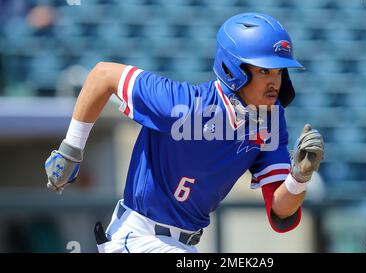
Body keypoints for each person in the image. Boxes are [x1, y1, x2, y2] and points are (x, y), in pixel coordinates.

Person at [44, 12, 324, 253]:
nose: (275, 80)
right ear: (232, 69)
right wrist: (71, 149)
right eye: (264, 70)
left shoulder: (270, 121)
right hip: (139, 237)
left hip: (185, 245)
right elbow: (102, 75)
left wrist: (299, 177)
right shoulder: (183, 104)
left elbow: (280, 209)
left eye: (279, 72)